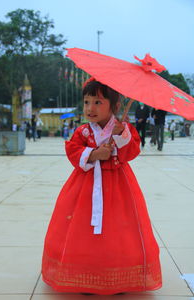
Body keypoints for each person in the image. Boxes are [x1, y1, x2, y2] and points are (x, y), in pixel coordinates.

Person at [42, 79, 162, 295]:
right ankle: (84, 275)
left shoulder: (123, 128)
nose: (90, 108)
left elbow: (132, 152)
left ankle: (119, 277)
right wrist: (95, 154)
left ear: (115, 107)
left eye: (98, 102)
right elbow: (73, 150)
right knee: (82, 230)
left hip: (118, 187)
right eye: (87, 102)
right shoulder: (83, 131)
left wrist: (120, 135)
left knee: (118, 230)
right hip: (85, 187)